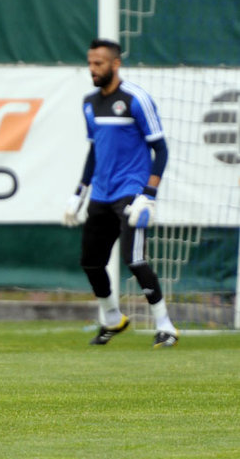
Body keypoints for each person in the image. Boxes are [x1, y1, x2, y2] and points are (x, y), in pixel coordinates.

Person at [64, 38, 179, 348]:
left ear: (115, 64)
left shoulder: (136, 99)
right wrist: (79, 194)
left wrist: (148, 194)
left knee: (135, 259)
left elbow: (161, 149)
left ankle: (165, 326)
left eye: (98, 63)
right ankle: (113, 318)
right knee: (91, 262)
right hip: (101, 194)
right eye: (90, 63)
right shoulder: (89, 102)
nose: (92, 69)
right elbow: (94, 150)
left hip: (131, 192)